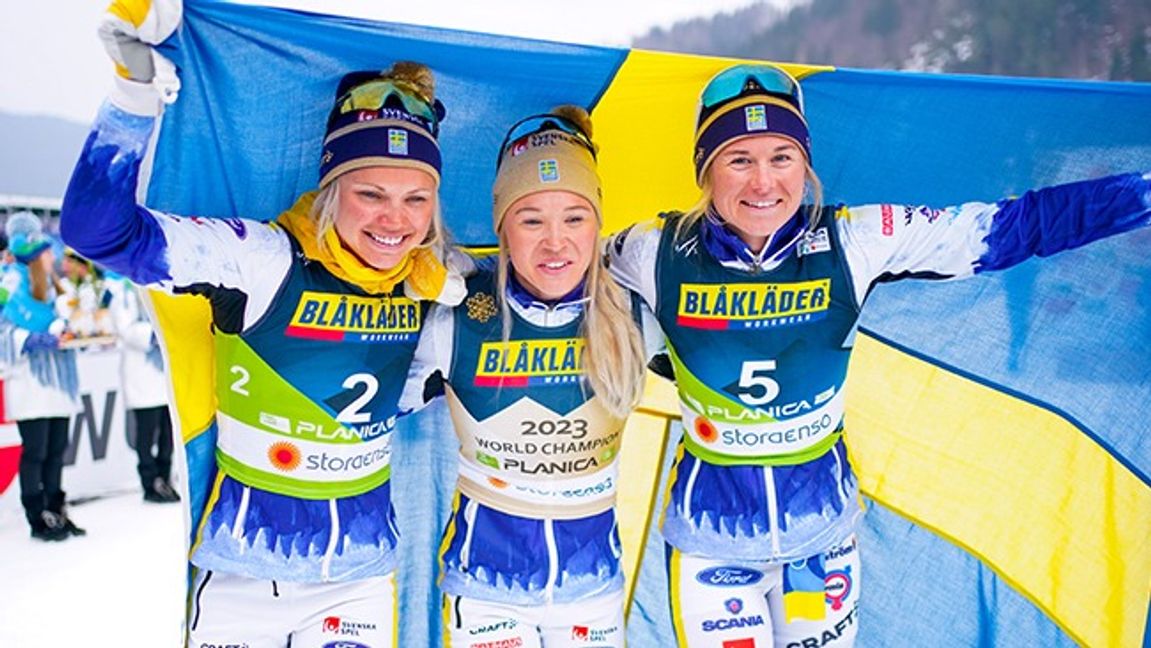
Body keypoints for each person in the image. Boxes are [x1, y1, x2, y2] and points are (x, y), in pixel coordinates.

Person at [606, 63, 1151, 647]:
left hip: (820, 538)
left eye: (781, 157)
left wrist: (1141, 194)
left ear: (805, 164)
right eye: (739, 159)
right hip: (711, 541)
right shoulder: (650, 251)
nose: (763, 183)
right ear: (706, 169)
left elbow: (1013, 228)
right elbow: (552, 275)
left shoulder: (856, 239)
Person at [60, 4, 464, 645]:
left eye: (416, 198)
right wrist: (132, 94)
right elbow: (98, 233)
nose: (395, 221)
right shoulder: (261, 260)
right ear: (332, 189)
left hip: (357, 582)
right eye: (371, 194)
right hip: (242, 579)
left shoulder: (429, 282)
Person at [401, 106, 651, 647]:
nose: (555, 244)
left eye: (575, 219)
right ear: (503, 229)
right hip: (486, 589)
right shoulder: (459, 314)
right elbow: (362, 400)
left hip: (593, 590)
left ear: (598, 224)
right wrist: (403, 281)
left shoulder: (636, 316)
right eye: (532, 219)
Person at [0, 212, 85, 542]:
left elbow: (61, 318)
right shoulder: (9, 283)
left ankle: (56, 508)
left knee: (55, 448)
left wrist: (65, 330)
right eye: (46, 250)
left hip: (57, 380)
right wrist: (38, 340)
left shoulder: (50, 287)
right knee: (35, 450)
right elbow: (5, 331)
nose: (53, 256)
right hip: (31, 381)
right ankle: (37, 515)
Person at [106, 275, 179, 503]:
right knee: (146, 432)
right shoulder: (125, 292)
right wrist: (158, 332)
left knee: (169, 431)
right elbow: (126, 329)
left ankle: (165, 477)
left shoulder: (163, 286)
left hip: (165, 372)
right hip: (142, 373)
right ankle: (150, 482)